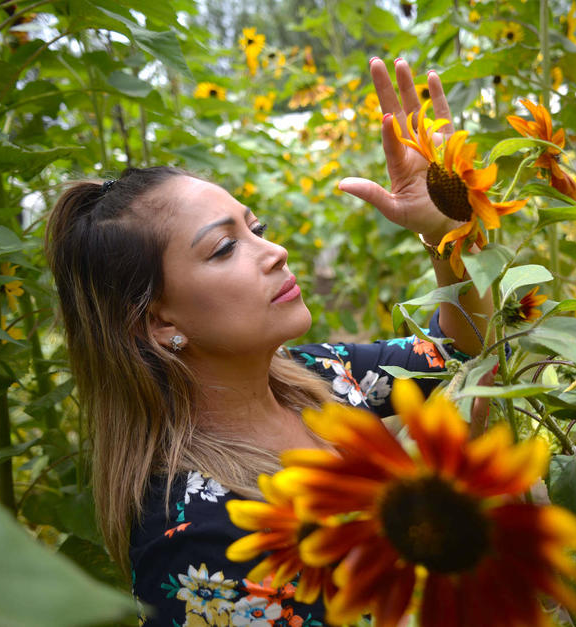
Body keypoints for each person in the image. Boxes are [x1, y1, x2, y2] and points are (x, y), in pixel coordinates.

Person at [45, 57, 490, 626]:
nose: (274, 250)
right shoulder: (195, 537)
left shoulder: (316, 377)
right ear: (158, 323)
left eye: (254, 228)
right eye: (224, 248)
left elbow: (463, 352)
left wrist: (447, 225)